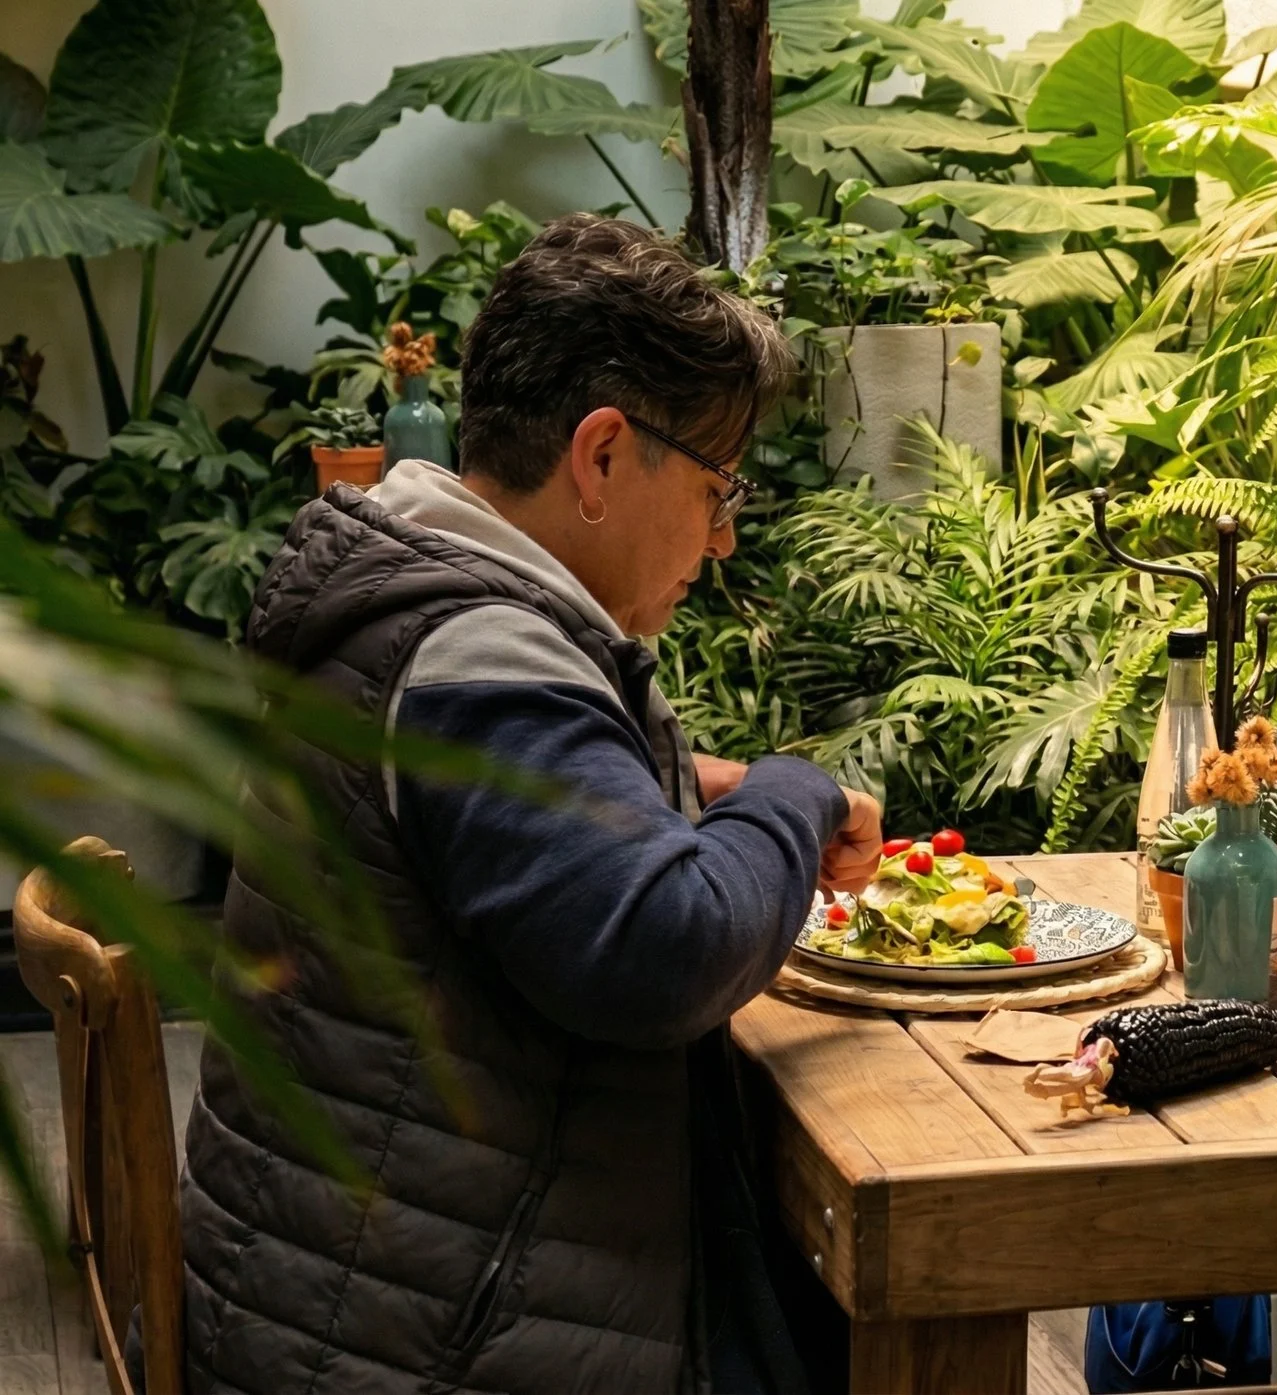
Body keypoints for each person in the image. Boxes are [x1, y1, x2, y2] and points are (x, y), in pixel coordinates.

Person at [180, 215, 882, 1392]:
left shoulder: (409, 589)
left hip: (338, 1285)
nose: (717, 540)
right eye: (717, 486)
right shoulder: (478, 657)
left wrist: (669, 787)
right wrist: (789, 792)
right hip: (422, 1345)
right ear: (603, 456)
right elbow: (664, 950)